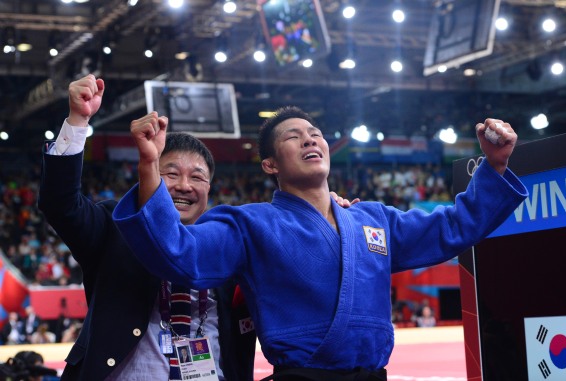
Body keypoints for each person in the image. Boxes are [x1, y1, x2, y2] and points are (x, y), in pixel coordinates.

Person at [113, 106, 528, 380]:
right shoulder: (248, 224)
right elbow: (179, 253)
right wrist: (150, 165)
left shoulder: (374, 219)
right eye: (294, 137)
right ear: (270, 164)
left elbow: (452, 228)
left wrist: (494, 166)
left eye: (315, 134)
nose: (310, 140)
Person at [37, 75, 258, 381]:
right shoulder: (115, 227)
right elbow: (59, 204)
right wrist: (78, 121)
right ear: (151, 173)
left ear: (209, 187)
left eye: (197, 177)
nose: (184, 186)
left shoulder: (228, 243)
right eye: (170, 173)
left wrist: (328, 210)